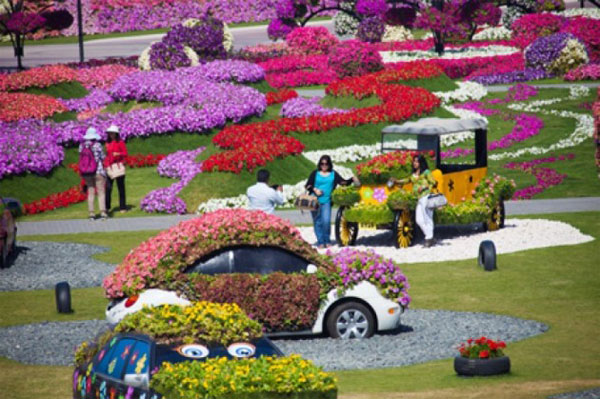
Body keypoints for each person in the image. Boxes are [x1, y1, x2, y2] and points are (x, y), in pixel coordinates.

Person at [305, 155, 358, 248]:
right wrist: (315, 189)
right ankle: (321, 242)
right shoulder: (315, 173)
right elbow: (308, 185)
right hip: (314, 201)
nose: (324, 165)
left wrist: (351, 179)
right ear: (319, 164)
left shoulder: (333, 174)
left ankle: (327, 240)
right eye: (322, 164)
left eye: (326, 164)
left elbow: (343, 183)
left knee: (326, 221)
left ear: (329, 164)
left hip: (327, 201)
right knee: (317, 222)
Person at [410, 154, 439, 248]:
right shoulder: (413, 174)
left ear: (421, 163)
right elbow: (407, 180)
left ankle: (428, 238)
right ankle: (430, 237)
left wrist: (424, 187)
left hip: (426, 196)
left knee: (427, 218)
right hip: (419, 198)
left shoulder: (426, 172)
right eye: (414, 161)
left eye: (417, 161)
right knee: (418, 220)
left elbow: (434, 182)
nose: (415, 163)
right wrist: (397, 181)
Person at [79, 127, 107, 221]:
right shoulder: (97, 145)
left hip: (86, 172)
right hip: (98, 171)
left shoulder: (82, 145)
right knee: (100, 192)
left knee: (90, 192)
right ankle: (103, 212)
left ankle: (91, 214)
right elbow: (102, 157)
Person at [104, 125, 128, 213]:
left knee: (121, 187)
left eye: (112, 133)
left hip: (118, 166)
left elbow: (125, 153)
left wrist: (118, 154)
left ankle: (123, 207)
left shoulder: (120, 142)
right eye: (109, 133)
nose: (111, 135)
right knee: (108, 188)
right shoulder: (107, 143)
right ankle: (107, 206)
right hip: (109, 166)